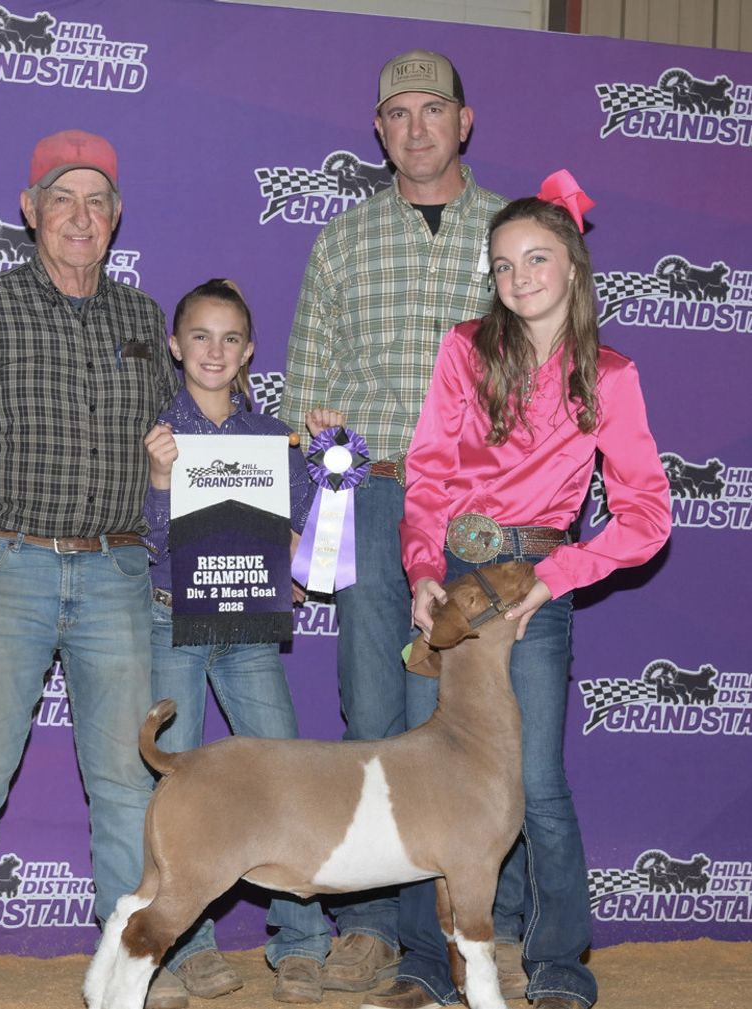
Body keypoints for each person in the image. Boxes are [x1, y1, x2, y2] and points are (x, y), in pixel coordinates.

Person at [0, 129, 178, 1009]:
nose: (80, 217)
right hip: (7, 564)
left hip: (119, 571)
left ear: (116, 217)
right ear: (29, 210)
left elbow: (186, 450)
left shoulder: (141, 317)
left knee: (131, 777)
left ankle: (129, 954)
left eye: (96, 201)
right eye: (63, 198)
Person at [399, 177, 672, 1009]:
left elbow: (647, 514)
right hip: (455, 579)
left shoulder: (612, 376)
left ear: (575, 267)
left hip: (533, 590)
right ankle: (424, 963)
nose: (518, 277)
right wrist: (422, 566)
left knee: (540, 782)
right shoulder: (465, 348)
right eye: (504, 263)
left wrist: (558, 576)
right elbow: (430, 471)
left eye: (537, 258)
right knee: (428, 775)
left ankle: (558, 966)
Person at [279, 49, 514, 1006]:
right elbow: (306, 389)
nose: (415, 128)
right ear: (378, 131)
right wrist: (331, 441)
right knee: (374, 707)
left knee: (473, 732)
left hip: (484, 513)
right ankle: (374, 928)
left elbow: (554, 370)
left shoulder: (515, 232)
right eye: (397, 114)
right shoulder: (340, 242)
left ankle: (475, 937)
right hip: (372, 497)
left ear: (464, 120)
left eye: (433, 110)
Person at [140, 279, 337, 1008]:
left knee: (285, 780)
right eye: (200, 335)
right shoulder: (159, 430)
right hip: (173, 620)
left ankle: (302, 941)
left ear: (249, 350)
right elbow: (151, 544)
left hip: (249, 628)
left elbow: (302, 540)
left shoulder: (274, 438)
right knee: (182, 786)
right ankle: (188, 947)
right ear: (176, 345)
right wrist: (160, 477)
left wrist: (295, 536)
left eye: (230, 338)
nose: (215, 350)